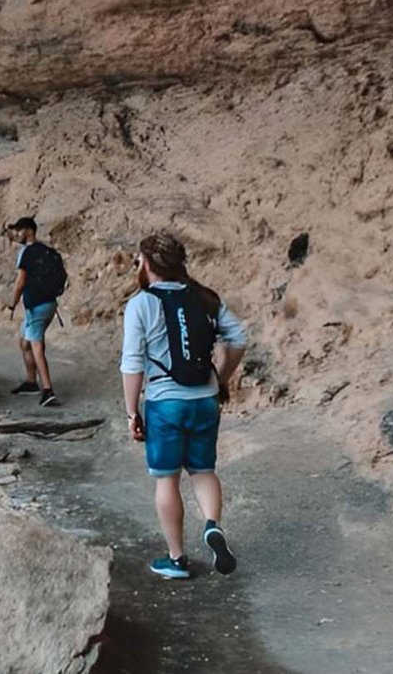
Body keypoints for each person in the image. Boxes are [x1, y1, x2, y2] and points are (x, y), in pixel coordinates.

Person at [122, 233, 247, 579]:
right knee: (203, 471)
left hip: (165, 404)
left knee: (167, 480)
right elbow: (239, 338)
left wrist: (132, 411)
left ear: (146, 264)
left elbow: (132, 364)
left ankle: (176, 559)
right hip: (204, 399)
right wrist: (219, 379)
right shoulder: (205, 298)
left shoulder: (141, 304)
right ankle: (211, 525)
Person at [5, 217, 64, 407]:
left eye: (19, 230)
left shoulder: (27, 252)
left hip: (36, 306)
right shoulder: (47, 251)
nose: (16, 234)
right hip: (49, 304)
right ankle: (31, 382)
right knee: (24, 342)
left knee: (36, 345)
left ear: (28, 231)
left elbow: (21, 281)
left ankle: (47, 390)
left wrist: (12, 303)